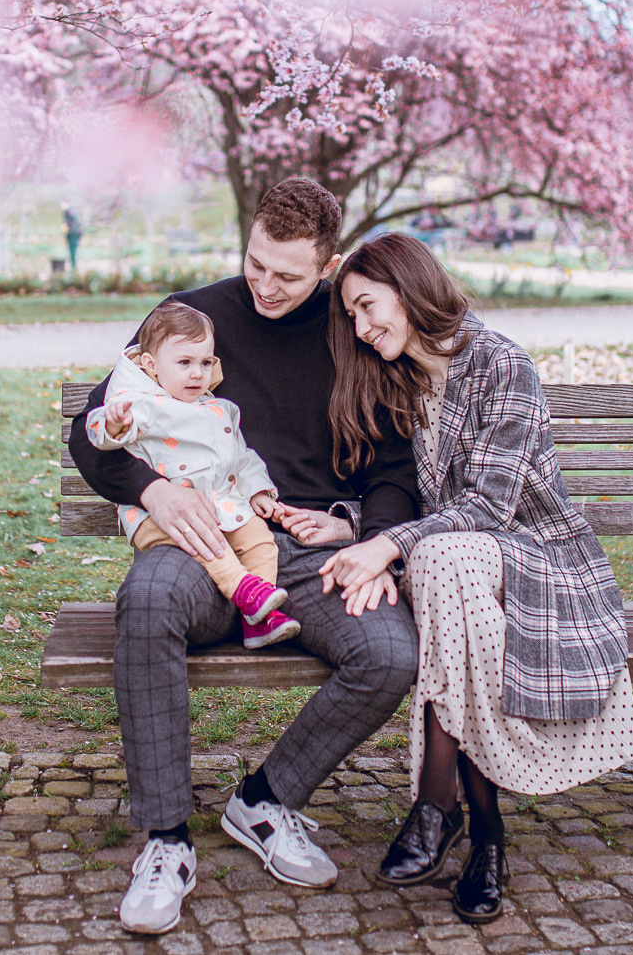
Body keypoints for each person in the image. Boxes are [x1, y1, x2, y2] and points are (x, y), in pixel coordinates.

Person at [68, 178, 420, 936]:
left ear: (327, 267)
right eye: (256, 262)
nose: (264, 285)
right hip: (199, 540)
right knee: (149, 598)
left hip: (308, 556)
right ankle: (166, 840)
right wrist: (150, 489)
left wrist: (361, 534)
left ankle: (265, 801)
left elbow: (397, 467)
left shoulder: (355, 331)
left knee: (390, 654)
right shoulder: (193, 318)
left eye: (288, 275)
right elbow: (91, 429)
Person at [317, 233, 633, 926]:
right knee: (446, 570)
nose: (361, 326)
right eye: (350, 315)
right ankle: (484, 833)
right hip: (457, 573)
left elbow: (489, 508)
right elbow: (415, 501)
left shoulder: (501, 363)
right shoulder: (404, 381)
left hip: (540, 562)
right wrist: (350, 527)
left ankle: (439, 803)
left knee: (443, 561)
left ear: (408, 286)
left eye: (368, 305)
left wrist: (387, 546)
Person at [85, 301, 301, 648]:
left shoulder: (218, 409)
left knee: (262, 541)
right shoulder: (143, 404)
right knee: (211, 545)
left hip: (222, 506)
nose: (198, 373)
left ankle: (260, 616)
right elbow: (101, 432)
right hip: (162, 519)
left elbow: (240, 457)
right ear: (152, 365)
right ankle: (247, 591)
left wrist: (258, 490)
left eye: (205, 362)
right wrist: (113, 424)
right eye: (184, 363)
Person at [63, 205, 84, 274]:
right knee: (72, 253)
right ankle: (73, 268)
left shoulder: (69, 212)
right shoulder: (71, 212)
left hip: (73, 235)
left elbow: (68, 223)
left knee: (73, 253)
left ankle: (73, 268)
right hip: (73, 235)